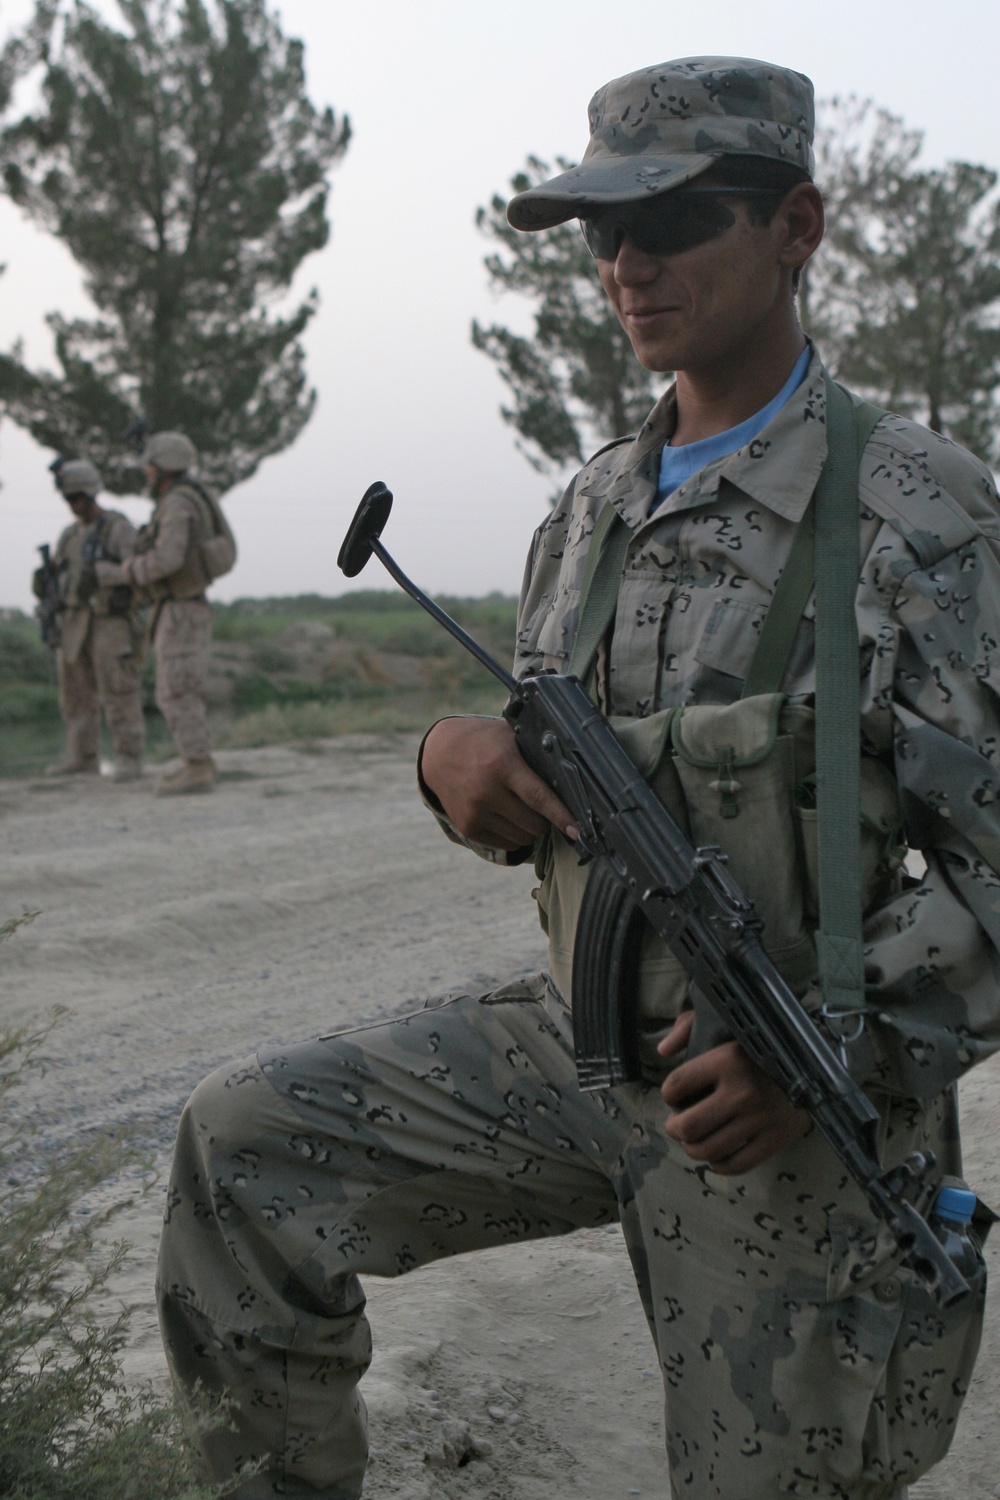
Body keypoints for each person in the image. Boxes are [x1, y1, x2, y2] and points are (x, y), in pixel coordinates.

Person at [156, 57, 1000, 1499]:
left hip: (791, 1109)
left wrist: (837, 1060)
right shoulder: (598, 502)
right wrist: (449, 761)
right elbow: (549, 774)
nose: (626, 262)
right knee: (242, 1154)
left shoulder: (918, 508)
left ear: (795, 227)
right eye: (603, 231)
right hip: (585, 1042)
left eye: (672, 222)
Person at [96, 430, 222, 796]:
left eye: (150, 466)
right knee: (176, 688)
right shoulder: (183, 499)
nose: (146, 473)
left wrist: (124, 572)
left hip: (180, 608)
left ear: (163, 465)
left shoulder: (178, 504)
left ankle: (198, 767)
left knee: (177, 691)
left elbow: (169, 558)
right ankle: (195, 761)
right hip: (178, 606)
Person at [33, 457, 145, 782]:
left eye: (77, 498)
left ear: (91, 494)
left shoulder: (116, 528)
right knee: (75, 694)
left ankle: (129, 757)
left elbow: (138, 570)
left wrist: (101, 575)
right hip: (71, 622)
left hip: (108, 619)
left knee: (117, 690)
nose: (73, 505)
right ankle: (82, 757)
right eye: (68, 499)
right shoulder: (69, 534)